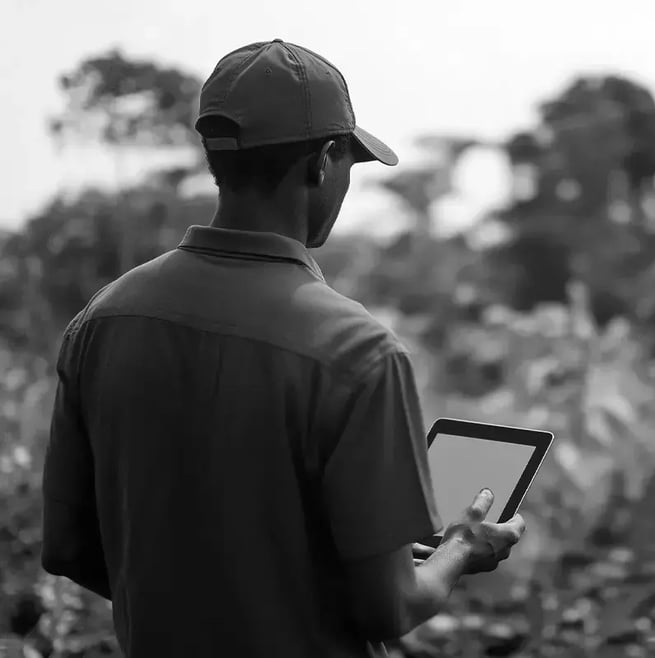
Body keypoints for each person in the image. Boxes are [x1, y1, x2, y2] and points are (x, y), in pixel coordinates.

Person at [40, 39, 526, 658]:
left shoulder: (102, 320)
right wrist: (459, 548)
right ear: (322, 162)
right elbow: (389, 607)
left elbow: (68, 547)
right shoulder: (358, 351)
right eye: (349, 161)